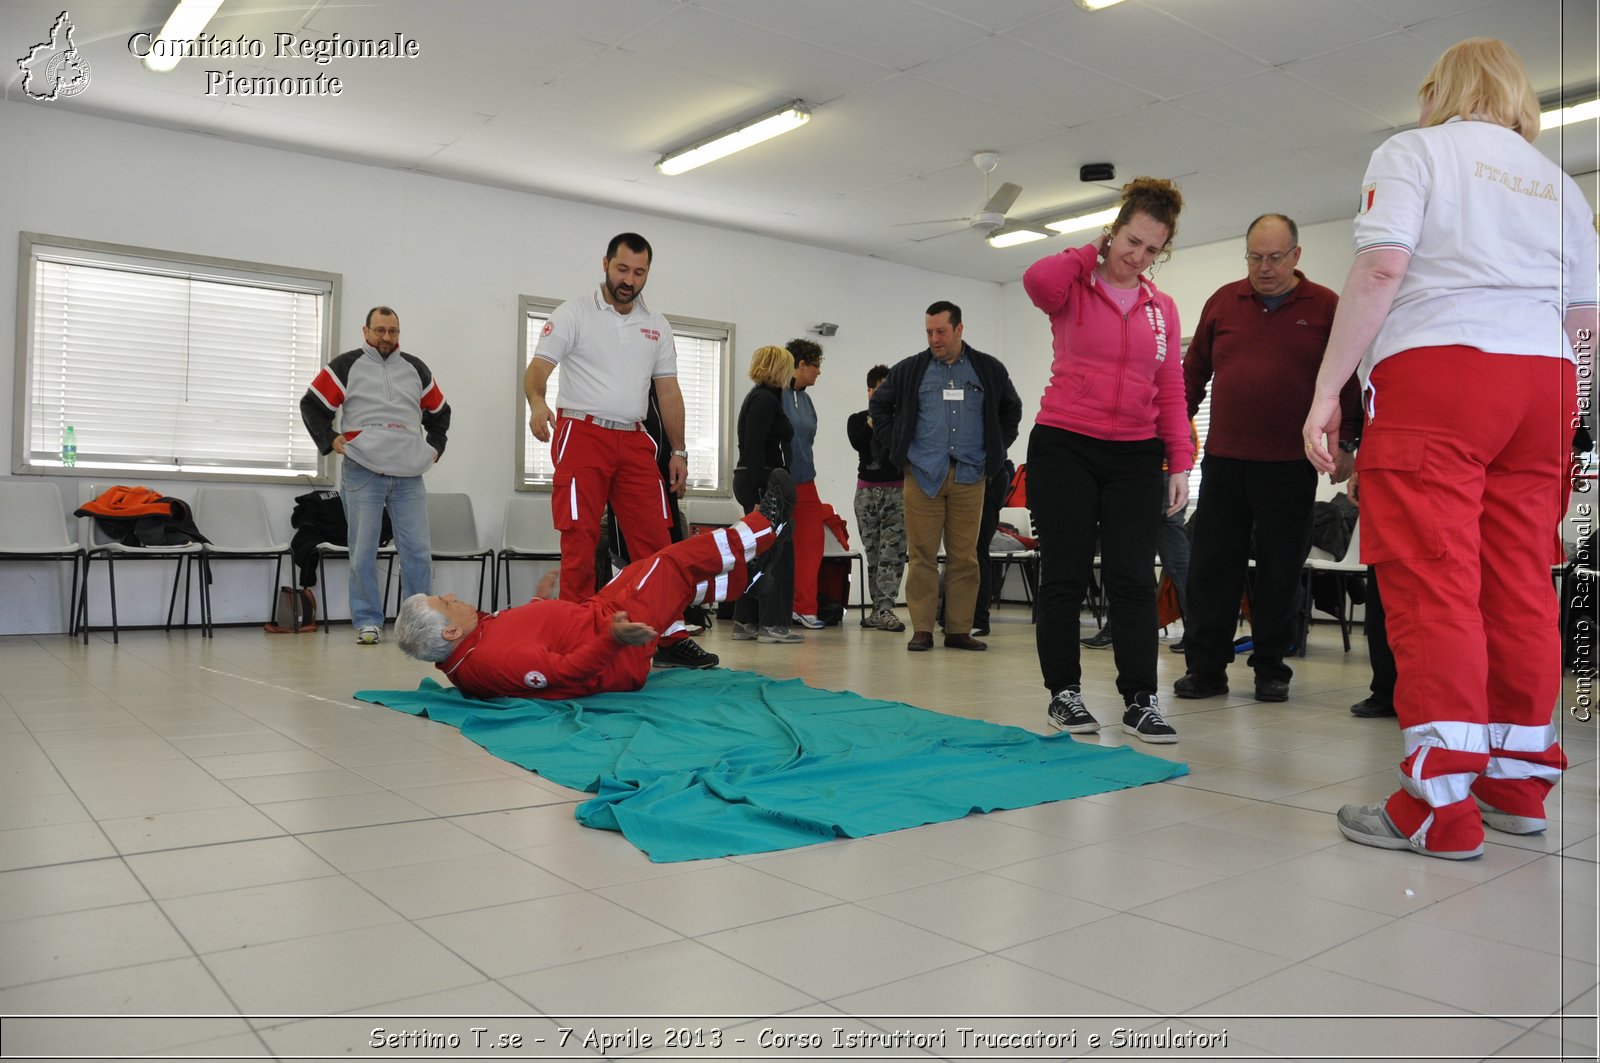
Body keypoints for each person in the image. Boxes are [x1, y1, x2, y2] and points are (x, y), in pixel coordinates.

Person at [1303, 38, 1598, 860]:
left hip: (1441, 374)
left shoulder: (1416, 150)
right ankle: (1514, 783)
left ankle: (1438, 804)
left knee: (1435, 578)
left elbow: (1382, 267)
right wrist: (1572, 420)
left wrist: (1328, 390)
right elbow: (1585, 325)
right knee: (1520, 582)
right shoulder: (1560, 185)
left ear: (1441, 90)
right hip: (1541, 386)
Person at [1022, 177, 1191, 743]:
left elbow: (1170, 390)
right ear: (1112, 231)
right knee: (1065, 574)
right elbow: (1035, 281)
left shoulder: (1161, 309)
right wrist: (1086, 252)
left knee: (1133, 579)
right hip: (1065, 442)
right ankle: (1063, 695)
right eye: (1131, 241)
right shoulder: (1074, 284)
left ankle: (1141, 699)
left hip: (1135, 454)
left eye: (1151, 249)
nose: (1138, 257)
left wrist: (1180, 463)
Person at [1174, 214, 1362, 704]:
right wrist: (1171, 432)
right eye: (1255, 257)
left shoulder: (1324, 306)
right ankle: (1207, 668)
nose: (1264, 267)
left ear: (1296, 256)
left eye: (1274, 257)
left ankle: (1271, 669)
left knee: (1281, 570)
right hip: (1225, 461)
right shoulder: (1224, 301)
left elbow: (1346, 378)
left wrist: (1347, 445)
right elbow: (1192, 374)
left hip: (1290, 464)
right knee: (1212, 569)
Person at [397, 473, 794, 700]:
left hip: (597, 613)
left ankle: (749, 579)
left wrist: (541, 602)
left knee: (656, 577)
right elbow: (566, 672)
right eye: (444, 602)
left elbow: (529, 636)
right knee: (669, 565)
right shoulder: (492, 660)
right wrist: (615, 638)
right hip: (615, 638)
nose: (451, 596)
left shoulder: (471, 644)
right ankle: (763, 527)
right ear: (450, 630)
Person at [523, 232, 716, 670]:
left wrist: (680, 451)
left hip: (632, 439)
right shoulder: (573, 313)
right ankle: (575, 636)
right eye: (622, 269)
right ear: (606, 263)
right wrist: (537, 404)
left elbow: (668, 392)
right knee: (580, 539)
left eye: (639, 272)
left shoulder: (657, 326)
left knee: (656, 542)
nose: (629, 280)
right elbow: (537, 369)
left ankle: (667, 634)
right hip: (581, 432)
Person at [871, 301, 1022, 653]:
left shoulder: (988, 369)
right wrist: (899, 446)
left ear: (959, 329)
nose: (934, 339)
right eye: (928, 332)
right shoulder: (910, 370)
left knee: (965, 557)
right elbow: (880, 405)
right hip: (922, 475)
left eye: (941, 331)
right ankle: (922, 628)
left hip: (971, 475)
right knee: (921, 555)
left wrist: (995, 449)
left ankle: (958, 630)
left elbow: (1010, 409)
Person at [300, 306, 448, 645]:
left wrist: (435, 447)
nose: (386, 337)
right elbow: (312, 404)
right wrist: (329, 439)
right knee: (362, 550)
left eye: (393, 331)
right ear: (365, 331)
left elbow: (440, 414)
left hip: (409, 474)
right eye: (380, 330)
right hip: (362, 470)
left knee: (417, 552)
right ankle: (367, 621)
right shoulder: (345, 366)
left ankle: (418, 624)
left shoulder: (416, 368)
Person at [732, 345, 801, 643]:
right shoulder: (764, 400)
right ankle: (773, 624)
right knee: (777, 554)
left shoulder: (765, 397)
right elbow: (753, 446)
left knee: (758, 551)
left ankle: (746, 621)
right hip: (763, 481)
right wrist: (762, 491)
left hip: (759, 479)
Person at [846, 365, 907, 632]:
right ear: (870, 391)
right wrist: (874, 418)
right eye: (880, 389)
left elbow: (902, 447)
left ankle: (886, 608)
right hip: (866, 493)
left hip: (897, 491)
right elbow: (859, 442)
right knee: (874, 553)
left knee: (892, 553)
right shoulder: (857, 419)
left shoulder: (900, 420)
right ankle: (876, 610)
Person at [783, 338, 827, 630]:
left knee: (812, 543)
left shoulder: (807, 400)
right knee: (775, 547)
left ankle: (805, 609)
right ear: (801, 365)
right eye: (816, 366)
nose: (818, 372)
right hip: (781, 481)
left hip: (806, 481)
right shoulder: (775, 394)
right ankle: (777, 609)